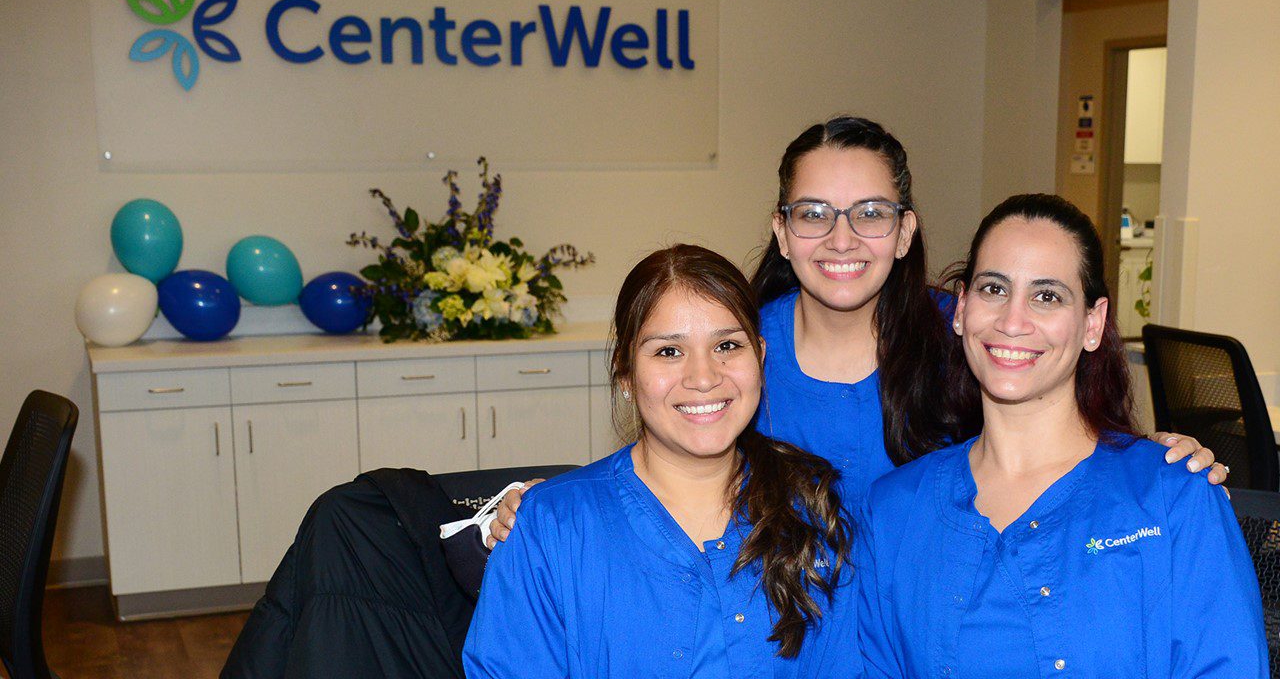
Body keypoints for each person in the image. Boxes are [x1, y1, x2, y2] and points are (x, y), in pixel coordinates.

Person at [489, 116, 1225, 544]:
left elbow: (1062, 430)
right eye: (813, 213)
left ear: (905, 232)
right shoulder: (737, 359)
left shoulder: (975, 336)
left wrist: (1148, 457)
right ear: (781, 231)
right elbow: (664, 462)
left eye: (870, 213)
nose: (842, 239)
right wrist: (549, 507)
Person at [856, 194, 1266, 677]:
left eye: (1047, 295)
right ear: (961, 308)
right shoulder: (894, 513)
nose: (1012, 321)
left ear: (1093, 323)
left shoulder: (1173, 495)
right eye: (994, 289)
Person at [463, 245, 856, 677]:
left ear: (760, 357)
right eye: (669, 351)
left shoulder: (815, 511)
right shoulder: (550, 529)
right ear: (626, 373)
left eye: (727, 345)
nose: (704, 377)